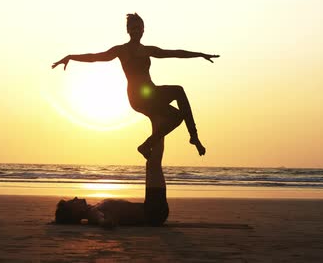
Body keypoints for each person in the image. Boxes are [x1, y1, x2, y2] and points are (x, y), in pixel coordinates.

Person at [52, 13, 219, 226]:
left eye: (139, 27)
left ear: (143, 30)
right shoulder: (120, 50)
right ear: (128, 30)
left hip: (152, 93)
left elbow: (174, 53)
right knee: (178, 93)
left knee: (177, 113)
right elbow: (95, 56)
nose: (136, 30)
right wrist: (70, 57)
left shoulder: (148, 50)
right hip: (139, 97)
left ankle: (185, 139)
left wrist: (200, 54)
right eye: (132, 27)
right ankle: (183, 139)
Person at [55, 197, 146, 227]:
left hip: (148, 209)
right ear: (75, 212)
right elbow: (102, 220)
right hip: (150, 212)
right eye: (73, 201)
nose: (75, 197)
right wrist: (107, 221)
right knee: (153, 163)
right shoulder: (93, 212)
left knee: (152, 162)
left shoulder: (94, 208)